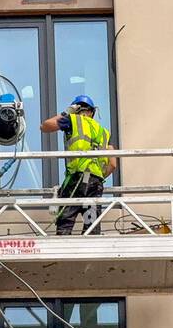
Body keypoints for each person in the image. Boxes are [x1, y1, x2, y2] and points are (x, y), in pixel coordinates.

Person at [41, 95, 116, 235]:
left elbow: (45, 126)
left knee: (65, 220)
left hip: (77, 179)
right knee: (91, 224)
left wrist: (66, 113)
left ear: (76, 109)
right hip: (95, 183)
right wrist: (98, 175)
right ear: (92, 112)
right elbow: (112, 164)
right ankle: (91, 250)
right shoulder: (103, 132)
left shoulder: (73, 120)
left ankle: (62, 249)